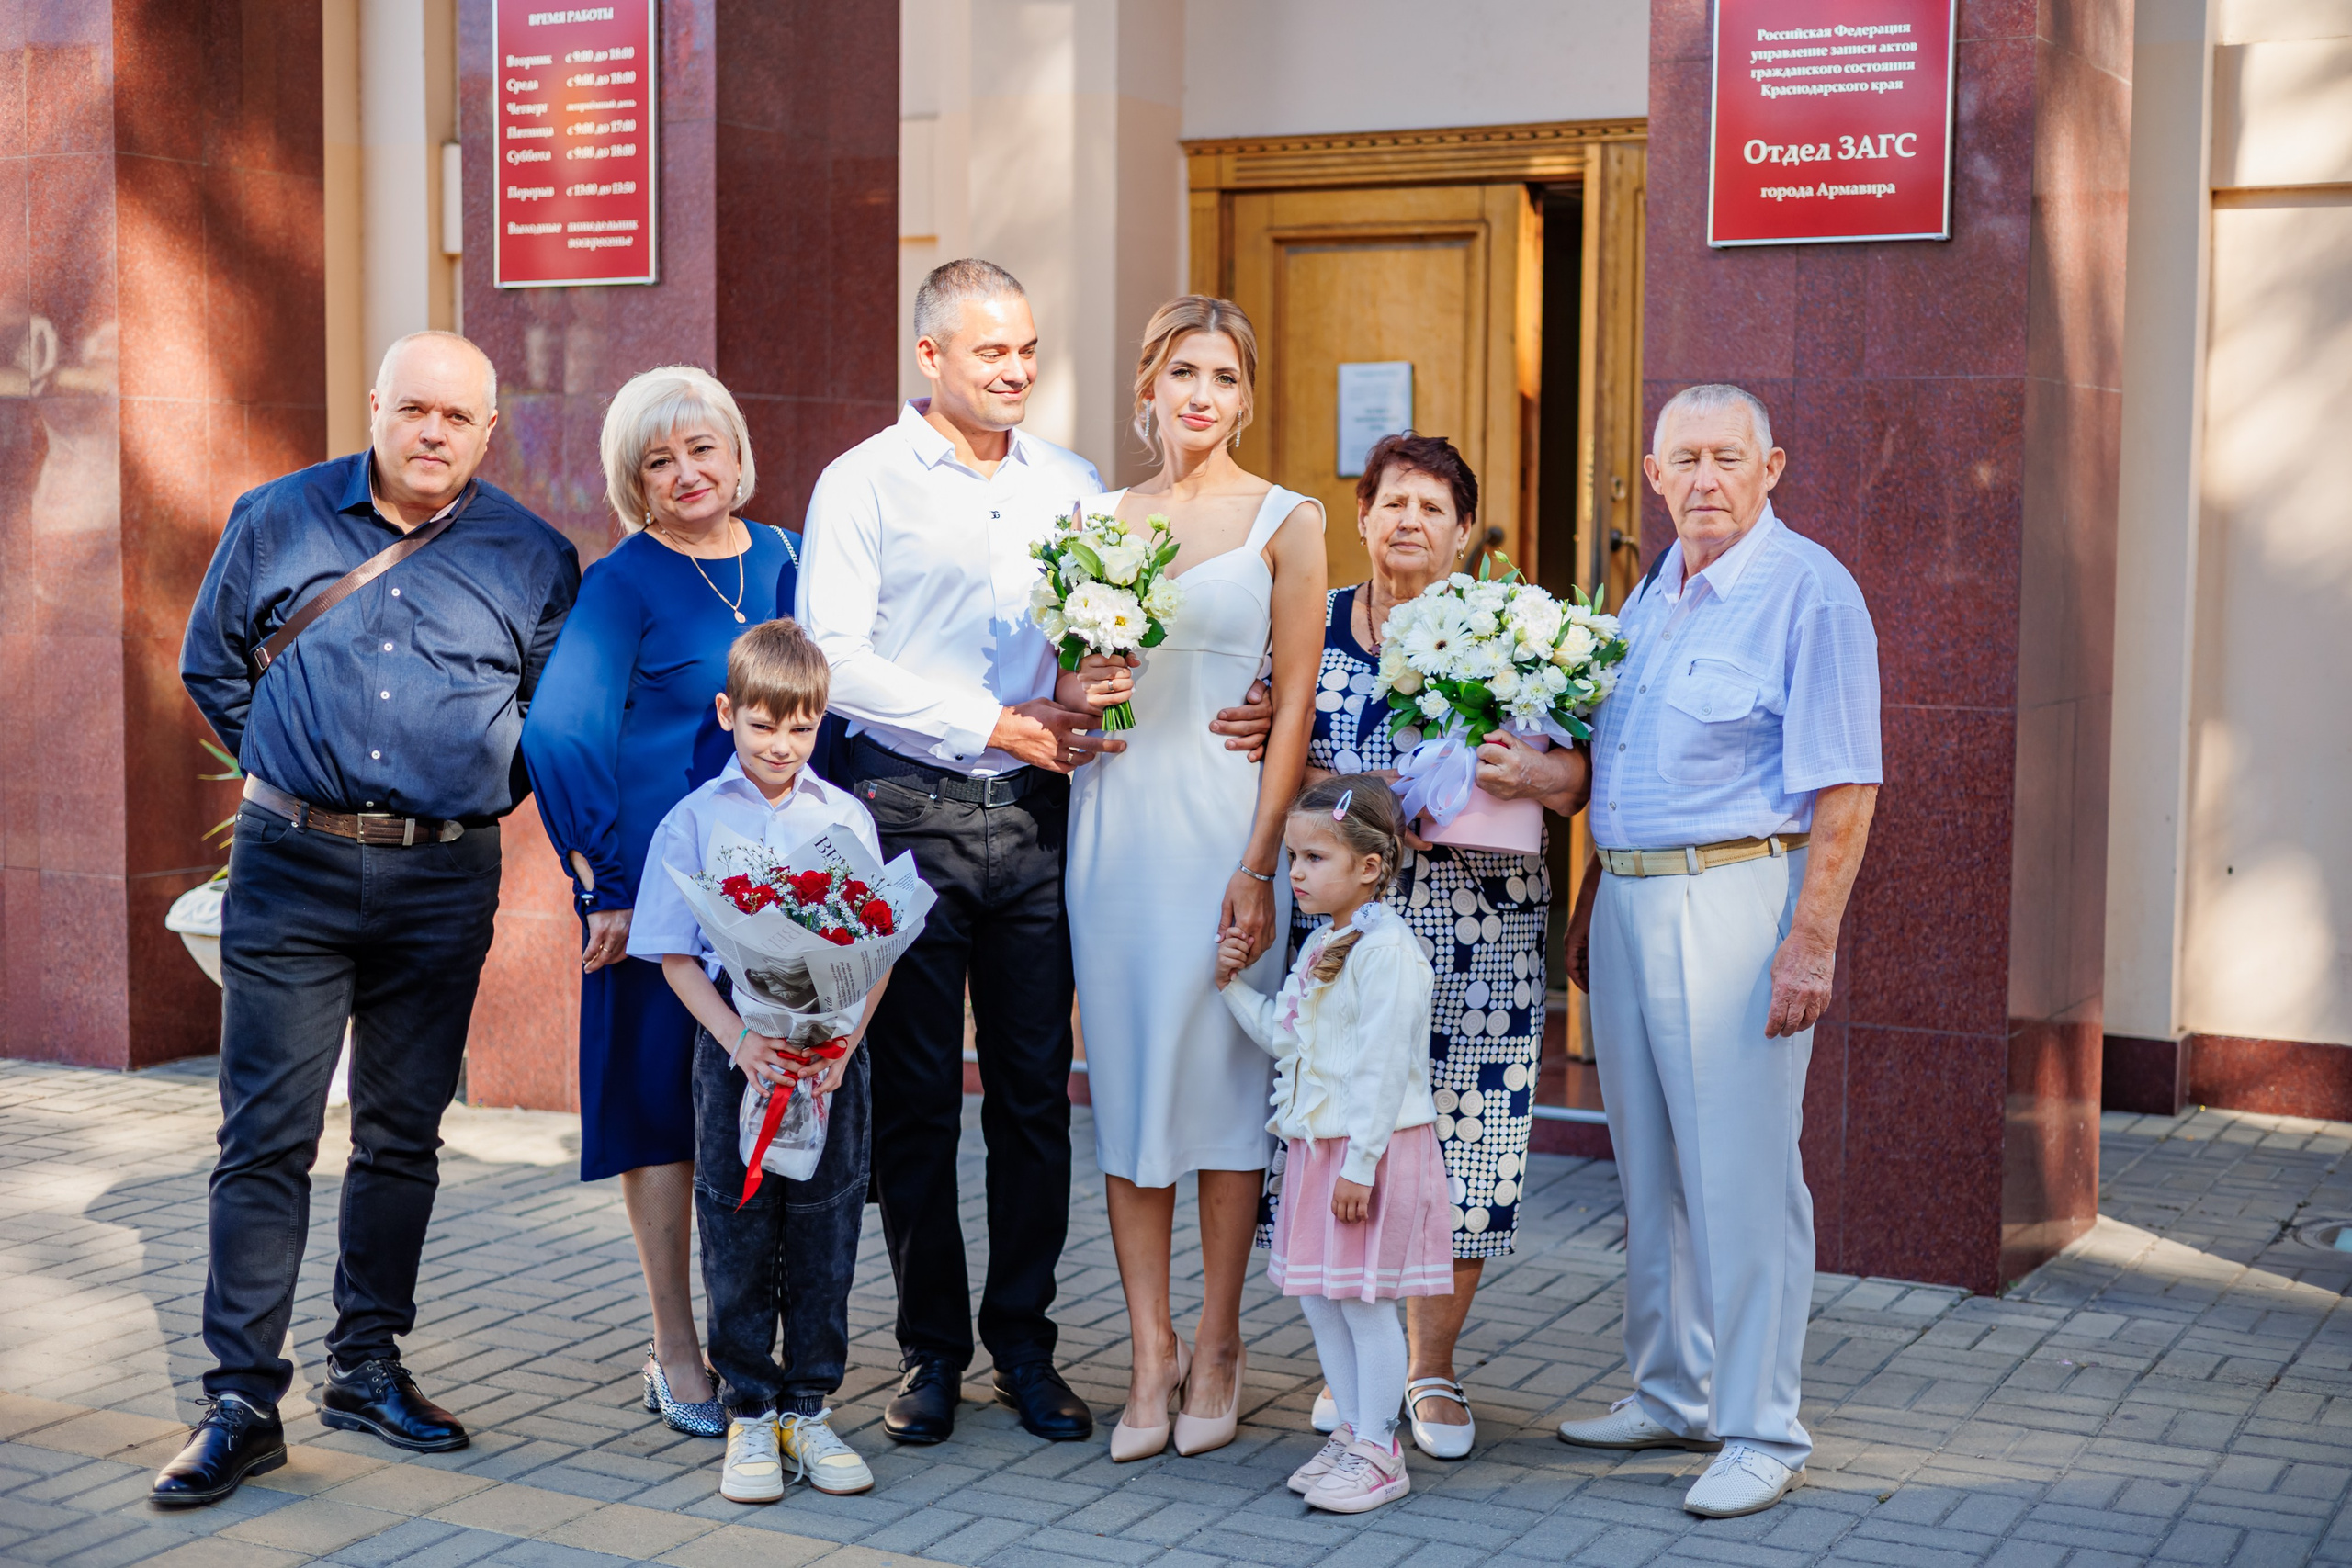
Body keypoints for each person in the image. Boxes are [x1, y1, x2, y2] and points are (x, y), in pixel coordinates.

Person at [162, 331, 580, 1506]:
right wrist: (298, 770)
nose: (433, 432)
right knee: (266, 1137)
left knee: (402, 1136)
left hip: (441, 881)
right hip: (291, 866)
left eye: (457, 417)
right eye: (414, 409)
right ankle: (241, 1400)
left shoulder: (534, 555)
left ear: (488, 432)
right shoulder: (277, 518)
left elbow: (548, 720)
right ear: (377, 408)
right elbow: (212, 666)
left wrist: (459, 789)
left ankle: (365, 1364)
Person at [1556, 383, 1880, 1519]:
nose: (1704, 479)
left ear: (1770, 468)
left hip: (1736, 902)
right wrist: (1592, 900)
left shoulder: (1808, 590)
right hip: (1632, 898)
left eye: (1726, 458)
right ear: (1653, 477)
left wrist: (1810, 944)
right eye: (1683, 460)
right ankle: (1671, 1389)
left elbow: (1847, 785)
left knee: (1742, 1178)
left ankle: (1760, 1428)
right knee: (1650, 1171)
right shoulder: (1653, 594)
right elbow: (1624, 771)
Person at [1058, 294, 1325, 1461]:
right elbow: (1066, 687)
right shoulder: (1093, 521)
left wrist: (1261, 865)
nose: (1201, 395)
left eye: (1223, 375)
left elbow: (1295, 706)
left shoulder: (1288, 521)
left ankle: (1219, 1341)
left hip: (1224, 833)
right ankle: (1148, 1350)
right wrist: (1084, 691)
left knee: (1221, 1091)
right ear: (1148, 388)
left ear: (1247, 397)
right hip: (1115, 833)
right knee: (1127, 1093)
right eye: (1182, 373)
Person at [1288, 433, 1589, 1460]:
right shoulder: (1318, 624)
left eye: (1433, 507)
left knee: (1469, 1140)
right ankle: (1359, 1358)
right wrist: (1360, 801)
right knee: (1345, 1128)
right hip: (1349, 932)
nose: (1409, 520)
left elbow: (1578, 779)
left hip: (1483, 926)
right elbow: (1280, 753)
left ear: (1463, 533)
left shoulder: (1518, 629)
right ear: (1363, 515)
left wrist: (1530, 775)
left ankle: (1429, 1366)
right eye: (1393, 501)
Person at [520, 367, 803, 1438]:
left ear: (737, 452)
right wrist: (604, 883)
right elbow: (559, 732)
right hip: (655, 901)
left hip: (780, 895)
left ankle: (763, 1335)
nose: (686, 473)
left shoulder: (788, 559)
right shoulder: (622, 581)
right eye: (658, 460)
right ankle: (676, 1346)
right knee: (659, 1117)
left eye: (701, 449)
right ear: (633, 483)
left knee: (771, 1105)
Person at [627, 619, 888, 1504]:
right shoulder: (696, 820)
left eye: (802, 727)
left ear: (822, 722)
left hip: (829, 1059)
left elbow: (878, 947)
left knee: (826, 1225)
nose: (782, 744)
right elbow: (674, 957)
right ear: (726, 713)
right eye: (763, 724)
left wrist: (844, 1043)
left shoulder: (844, 817)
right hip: (736, 1052)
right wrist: (741, 1040)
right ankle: (748, 1409)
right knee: (736, 1225)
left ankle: (808, 1406)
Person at [1216, 775, 1447, 1515]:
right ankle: (1352, 1429)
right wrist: (1231, 987)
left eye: (1314, 858)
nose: (1297, 873)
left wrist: (1361, 1164)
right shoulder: (1325, 941)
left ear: (1369, 866)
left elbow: (1382, 1068)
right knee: (1320, 1297)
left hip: (1367, 1153)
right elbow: (1289, 1034)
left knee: (1362, 1301)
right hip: (1320, 1148)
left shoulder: (1388, 952)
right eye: (1294, 857)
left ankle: (1380, 1449)